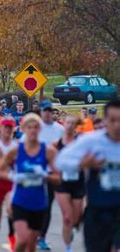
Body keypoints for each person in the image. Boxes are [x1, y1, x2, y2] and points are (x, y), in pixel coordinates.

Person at [55, 99, 120, 252]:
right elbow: (61, 161)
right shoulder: (92, 141)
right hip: (98, 210)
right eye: (112, 120)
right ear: (105, 121)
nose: (117, 125)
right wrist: (82, 164)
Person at [0, 113, 58, 252]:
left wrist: (45, 176)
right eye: (29, 127)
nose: (33, 130)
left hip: (39, 202)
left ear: (40, 130)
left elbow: (59, 178)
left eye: (36, 127)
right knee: (23, 239)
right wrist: (13, 176)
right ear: (23, 129)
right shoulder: (16, 150)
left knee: (31, 243)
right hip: (20, 201)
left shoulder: (48, 151)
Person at [36, 100, 65, 251]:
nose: (48, 113)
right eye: (45, 110)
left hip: (52, 173)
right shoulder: (35, 128)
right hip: (35, 174)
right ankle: (33, 232)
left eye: (50, 110)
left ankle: (42, 238)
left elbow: (64, 149)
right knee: (35, 205)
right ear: (41, 112)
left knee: (47, 206)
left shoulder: (60, 129)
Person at [53, 115, 84, 252]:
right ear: (63, 124)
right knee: (67, 217)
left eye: (73, 123)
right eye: (68, 122)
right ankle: (68, 247)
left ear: (76, 125)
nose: (70, 125)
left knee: (76, 218)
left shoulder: (81, 142)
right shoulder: (56, 143)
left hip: (78, 181)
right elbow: (50, 161)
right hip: (62, 183)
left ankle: (74, 224)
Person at [0, 117, 18, 252]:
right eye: (5, 127)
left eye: (10, 127)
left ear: (13, 130)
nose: (7, 130)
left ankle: (12, 236)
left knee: (11, 209)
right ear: (0, 128)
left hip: (11, 182)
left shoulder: (17, 147)